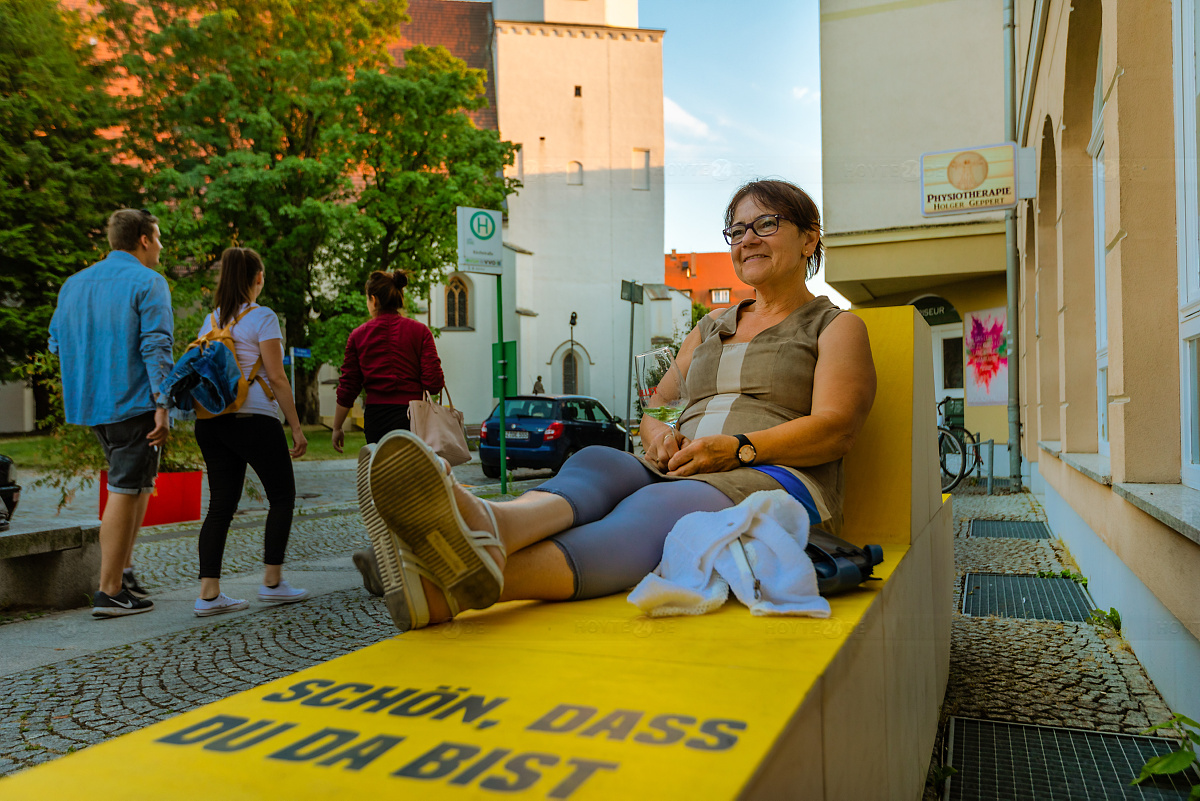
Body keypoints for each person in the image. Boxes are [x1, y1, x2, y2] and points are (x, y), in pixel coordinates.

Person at [358, 179, 877, 633]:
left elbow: (836, 429)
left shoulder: (834, 326)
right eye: (736, 231)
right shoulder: (709, 327)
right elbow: (657, 407)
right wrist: (658, 437)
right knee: (595, 462)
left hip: (774, 478)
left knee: (652, 508)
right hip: (684, 464)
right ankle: (485, 532)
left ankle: (456, 577)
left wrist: (738, 449)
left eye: (765, 223)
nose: (747, 240)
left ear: (810, 237)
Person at [49, 209, 174, 617]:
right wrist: (163, 404)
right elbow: (156, 346)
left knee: (137, 483)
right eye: (157, 239)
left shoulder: (73, 284)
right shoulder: (149, 282)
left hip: (91, 402)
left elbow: (55, 342)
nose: (160, 247)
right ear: (142, 239)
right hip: (134, 400)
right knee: (125, 486)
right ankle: (109, 590)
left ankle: (121, 575)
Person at [191, 247, 309, 617]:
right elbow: (276, 376)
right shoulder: (263, 317)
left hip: (210, 422)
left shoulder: (209, 322)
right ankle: (272, 582)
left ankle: (209, 594)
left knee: (220, 506)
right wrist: (296, 426)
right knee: (283, 496)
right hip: (253, 417)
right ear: (257, 279)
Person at [330, 270, 444, 451]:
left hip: (377, 419)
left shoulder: (358, 336)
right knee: (414, 474)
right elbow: (434, 383)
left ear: (373, 300)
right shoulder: (421, 331)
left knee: (383, 474)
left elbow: (348, 387)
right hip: (413, 418)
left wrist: (337, 427)